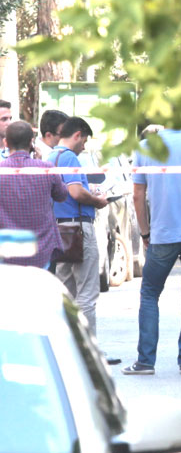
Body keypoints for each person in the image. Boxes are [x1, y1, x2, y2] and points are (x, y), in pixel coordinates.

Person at [122, 124, 181, 376]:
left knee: (150, 294)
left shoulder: (145, 147)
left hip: (163, 233)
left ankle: (146, 361)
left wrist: (145, 232)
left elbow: (137, 195)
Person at [47, 117, 109, 337]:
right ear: (77, 135)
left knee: (66, 293)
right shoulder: (70, 157)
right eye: (84, 141)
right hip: (79, 229)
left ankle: (68, 345)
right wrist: (97, 200)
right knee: (87, 294)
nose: (84, 147)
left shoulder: (51, 157)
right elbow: (75, 192)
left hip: (60, 230)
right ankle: (88, 348)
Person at [0, 121, 68, 267]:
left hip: (6, 251)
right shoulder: (46, 169)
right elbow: (62, 195)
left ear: (6, 142)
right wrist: (40, 163)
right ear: (31, 142)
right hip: (41, 249)